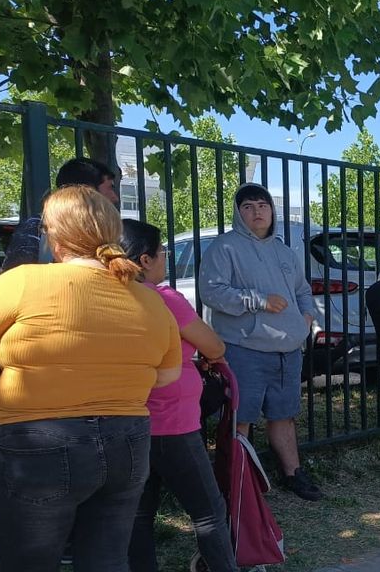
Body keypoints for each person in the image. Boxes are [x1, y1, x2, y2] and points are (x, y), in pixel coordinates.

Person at [0, 185, 182, 572]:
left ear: (54, 235)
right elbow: (167, 375)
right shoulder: (150, 299)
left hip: (36, 443)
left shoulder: (21, 283)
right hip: (129, 443)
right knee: (107, 561)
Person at [121, 220, 238, 572]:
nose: (165, 259)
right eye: (161, 253)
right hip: (173, 423)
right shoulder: (165, 298)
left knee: (140, 514)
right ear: (144, 260)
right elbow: (214, 345)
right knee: (208, 511)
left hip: (129, 423)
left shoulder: (111, 296)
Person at [198, 182, 322, 500]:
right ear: (239, 213)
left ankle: (293, 473)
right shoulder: (224, 248)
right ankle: (240, 480)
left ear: (272, 210)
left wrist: (305, 319)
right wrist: (258, 301)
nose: (257, 212)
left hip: (287, 349)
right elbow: (211, 292)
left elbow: (303, 291)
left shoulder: (284, 251)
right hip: (245, 348)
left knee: (284, 415)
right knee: (242, 418)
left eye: (262, 205)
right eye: (248, 207)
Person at [2, 157, 119, 272]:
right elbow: (14, 279)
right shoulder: (37, 228)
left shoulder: (110, 231)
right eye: (110, 188)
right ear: (87, 192)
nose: (115, 198)